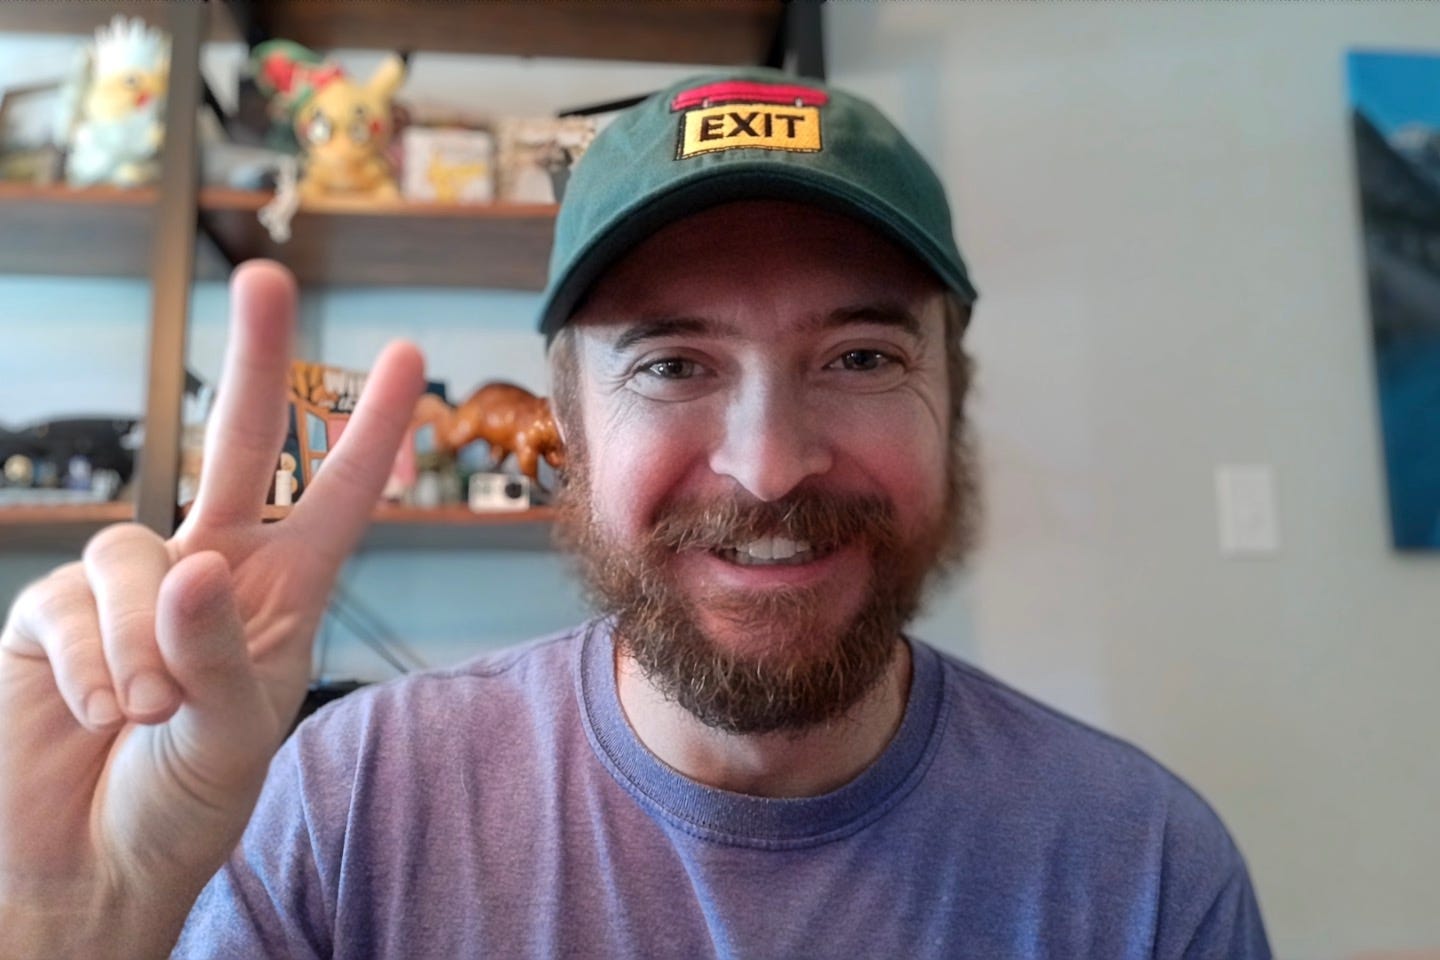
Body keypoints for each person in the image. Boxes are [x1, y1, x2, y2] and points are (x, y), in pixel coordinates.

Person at [0, 68, 1271, 958]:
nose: (769, 467)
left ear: (955, 399)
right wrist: (75, 926)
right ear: (569, 424)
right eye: (672, 365)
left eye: (862, 358)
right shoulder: (343, 809)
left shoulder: (1142, 867)